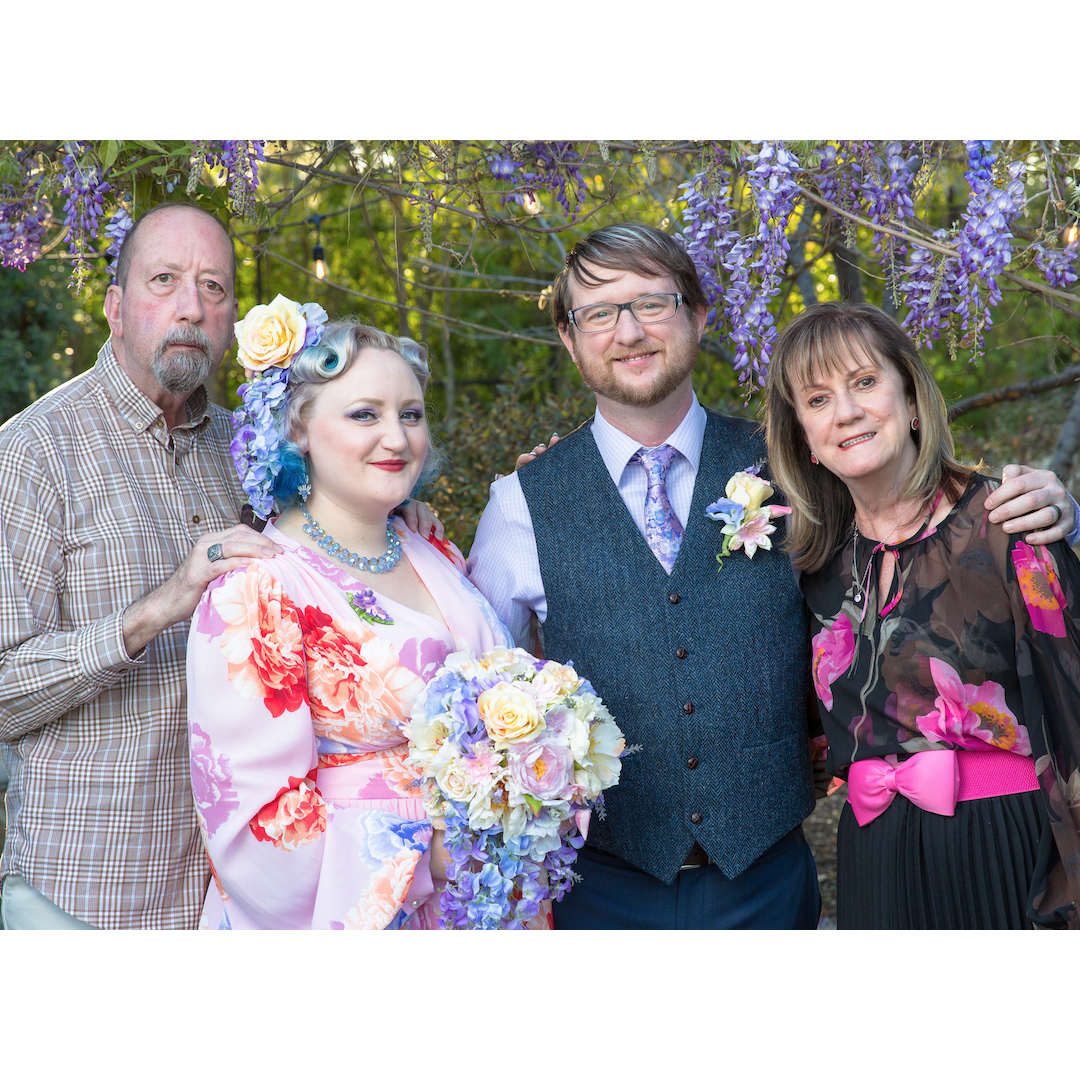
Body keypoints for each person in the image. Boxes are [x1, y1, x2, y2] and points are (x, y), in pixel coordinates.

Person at [467, 222, 1080, 930]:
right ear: (571, 341)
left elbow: (921, 530)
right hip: (601, 887)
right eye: (599, 312)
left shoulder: (802, 467)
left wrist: (1062, 512)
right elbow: (485, 697)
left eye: (652, 303)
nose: (628, 330)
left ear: (699, 314)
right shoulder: (521, 504)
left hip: (770, 881)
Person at [186, 312, 541, 929]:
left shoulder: (437, 552)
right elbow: (254, 822)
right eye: (364, 414)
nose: (397, 438)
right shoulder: (258, 591)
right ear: (298, 430)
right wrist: (421, 857)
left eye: (410, 414)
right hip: (366, 910)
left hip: (483, 894)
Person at [0, 202, 284, 930]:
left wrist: (400, 520)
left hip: (229, 894)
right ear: (115, 309)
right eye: (165, 280)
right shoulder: (31, 453)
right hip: (87, 896)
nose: (190, 307)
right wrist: (154, 611)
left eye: (214, 288)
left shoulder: (250, 451)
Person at [766, 300, 1080, 929]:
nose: (847, 412)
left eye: (863, 383)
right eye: (818, 399)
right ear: (804, 437)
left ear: (911, 400)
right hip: (875, 860)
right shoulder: (813, 565)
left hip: (1005, 850)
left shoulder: (1008, 526)